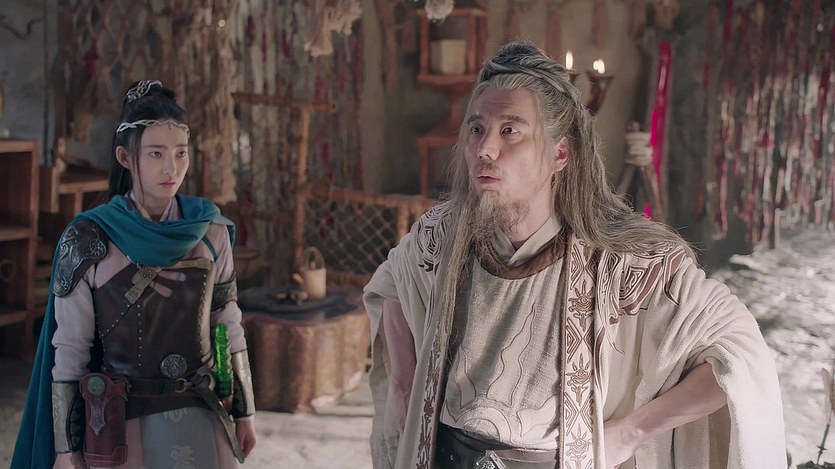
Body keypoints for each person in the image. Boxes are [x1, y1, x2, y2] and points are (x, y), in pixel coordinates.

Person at [363, 41, 786, 469]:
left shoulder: (623, 261)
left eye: (510, 130)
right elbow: (394, 278)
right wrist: (403, 383)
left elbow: (739, 352)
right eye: (476, 129)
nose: (485, 149)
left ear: (560, 153)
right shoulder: (443, 233)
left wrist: (632, 431)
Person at [12, 80, 257, 468]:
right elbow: (72, 347)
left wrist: (245, 411)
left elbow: (227, 323)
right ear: (126, 157)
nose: (171, 167)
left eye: (180, 153)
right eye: (156, 153)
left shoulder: (210, 231)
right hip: (116, 423)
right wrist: (66, 448)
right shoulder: (90, 239)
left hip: (199, 409)